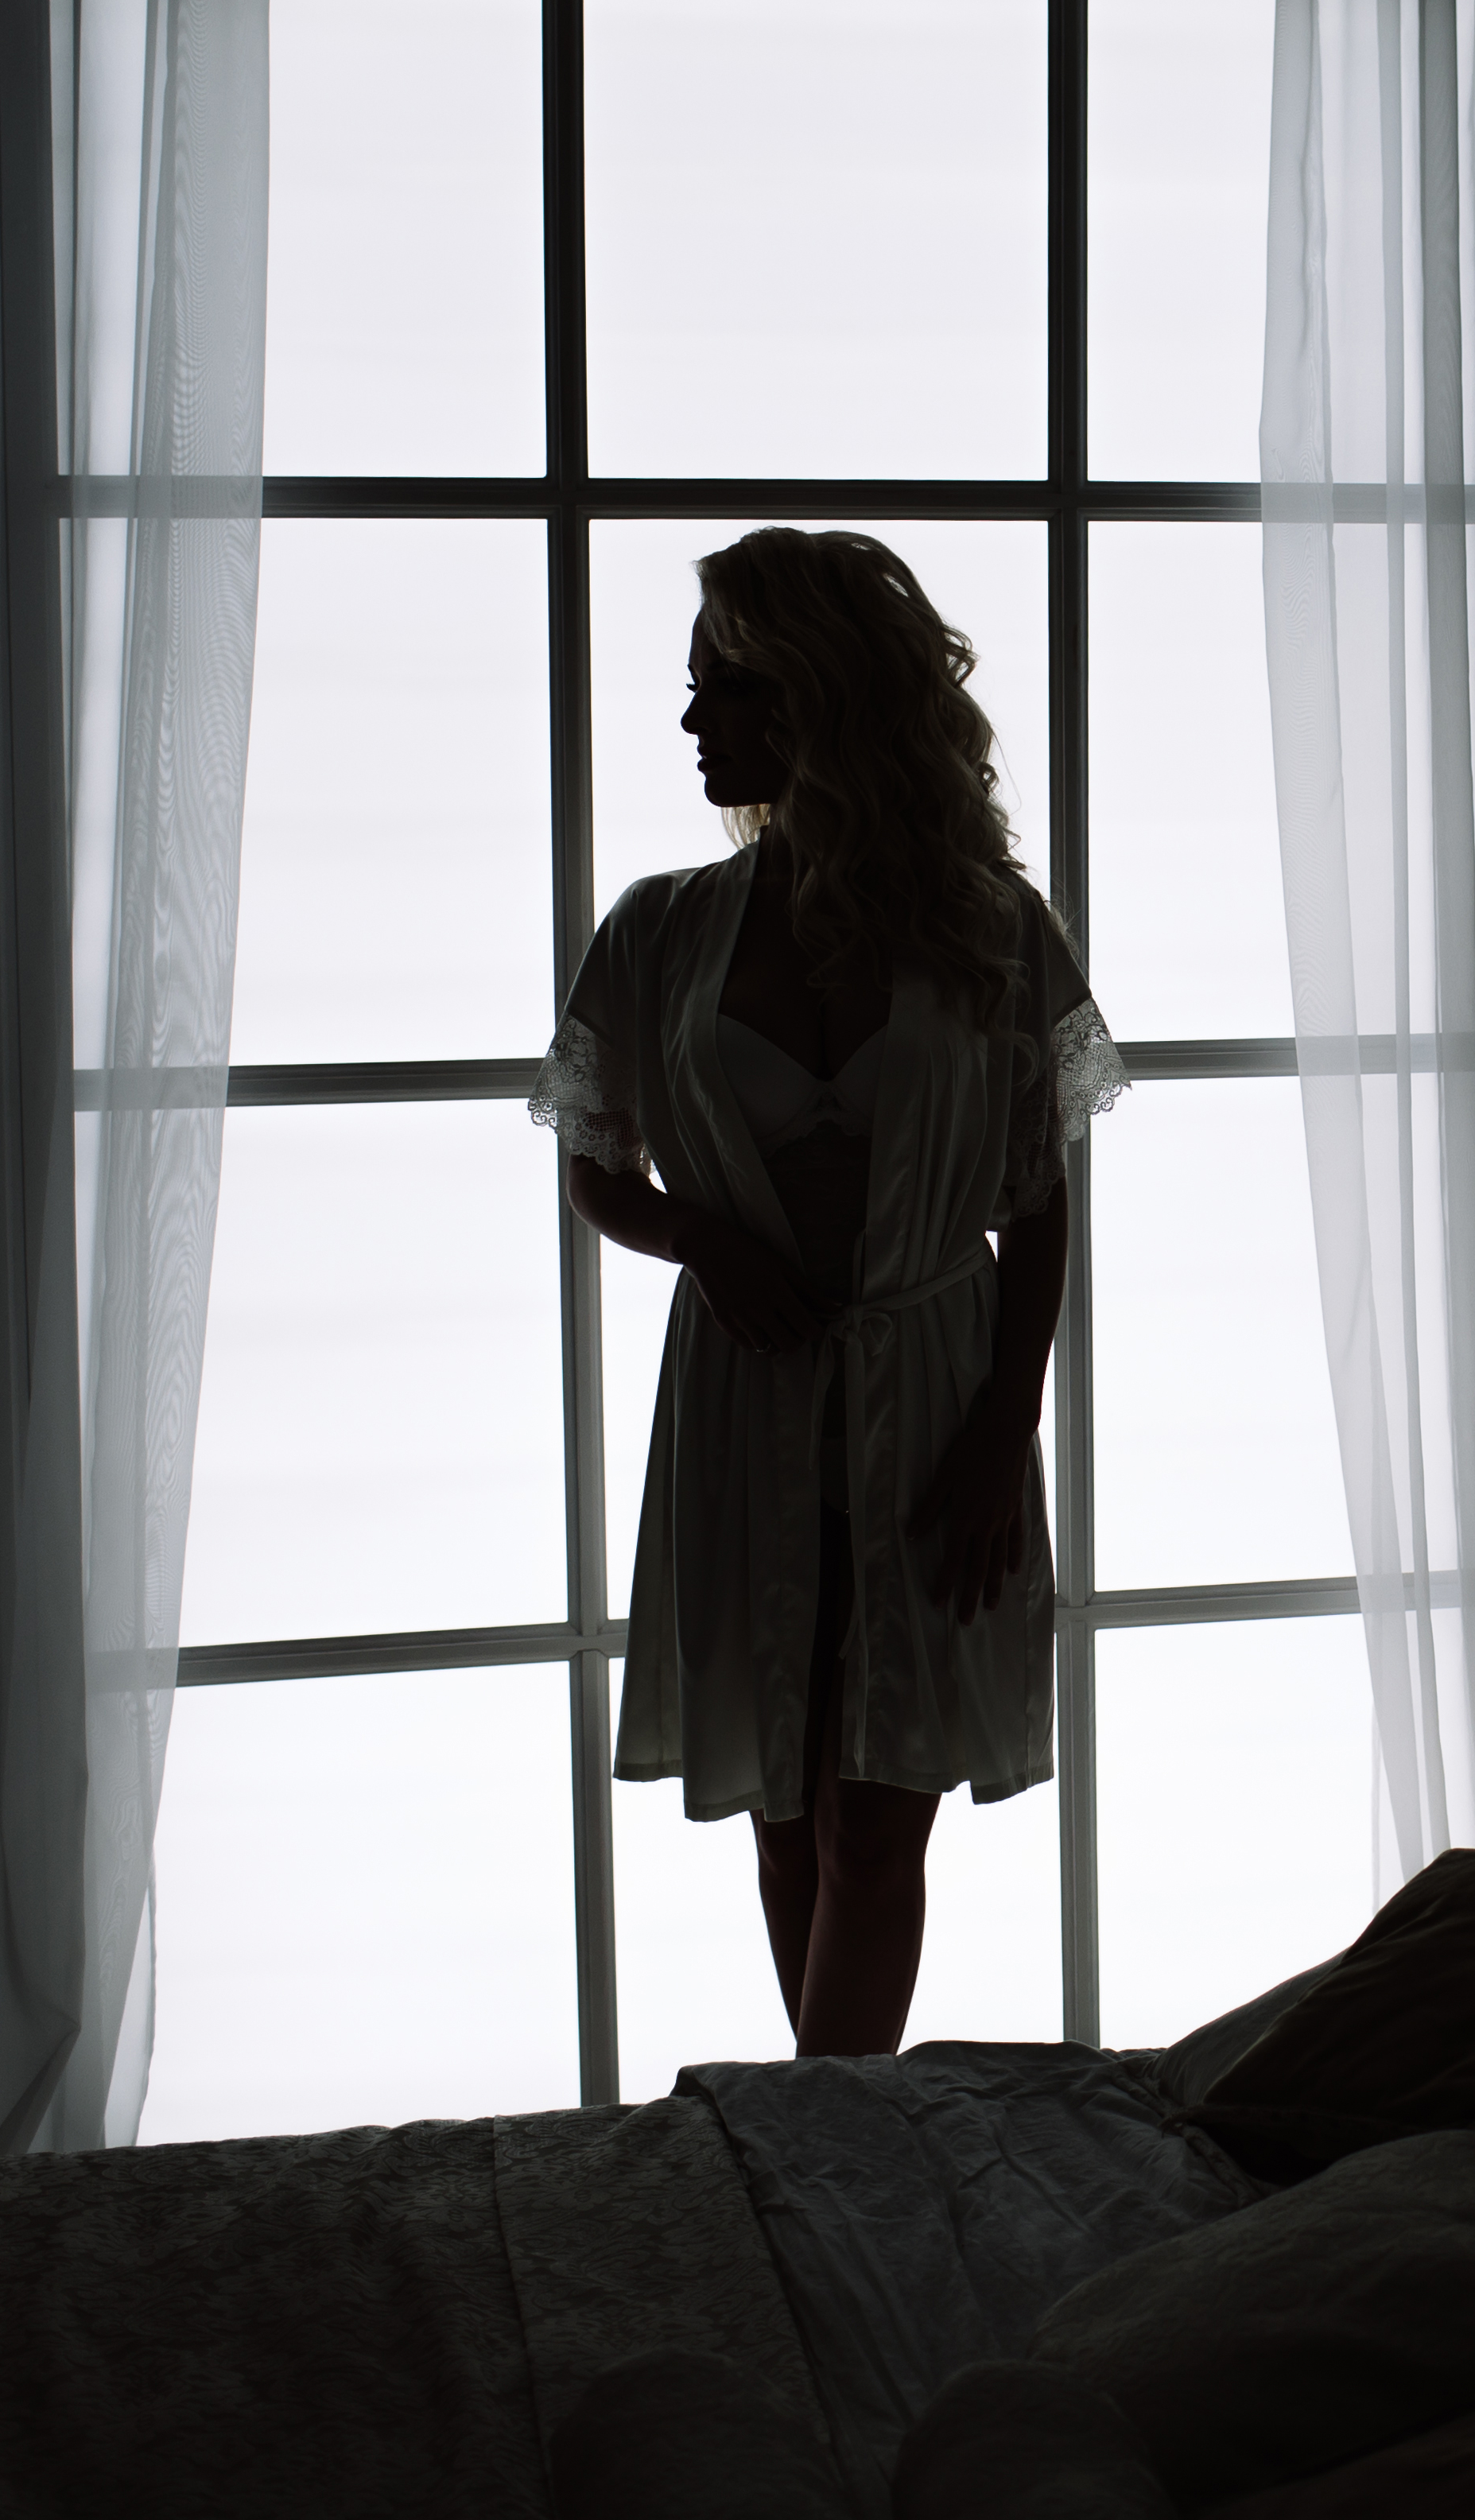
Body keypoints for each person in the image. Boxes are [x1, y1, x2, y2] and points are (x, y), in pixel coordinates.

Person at [530, 528, 1120, 2056]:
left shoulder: (991, 930)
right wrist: (698, 1240)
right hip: (743, 1396)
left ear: (810, 696)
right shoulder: (659, 934)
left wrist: (1006, 1424)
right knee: (787, 1817)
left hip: (935, 1401)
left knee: (877, 1825)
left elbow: (1038, 1200)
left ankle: (820, 2142)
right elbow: (594, 1167)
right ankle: (833, 2142)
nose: (689, 720)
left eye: (715, 683)